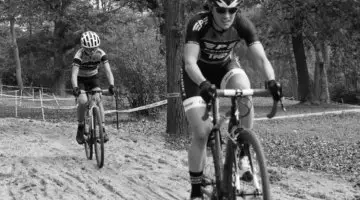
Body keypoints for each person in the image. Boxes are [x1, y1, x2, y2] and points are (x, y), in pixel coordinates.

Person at [181, 0, 282, 199]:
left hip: (225, 66)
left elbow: (261, 59)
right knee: (202, 133)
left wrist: (271, 81)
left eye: (232, 10)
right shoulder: (198, 23)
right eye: (221, 10)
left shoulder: (242, 24)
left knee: (244, 91)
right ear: (212, 8)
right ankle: (195, 191)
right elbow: (190, 62)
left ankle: (243, 149)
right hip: (196, 75)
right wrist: (202, 83)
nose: (227, 15)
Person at [71, 31, 115, 145]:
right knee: (83, 101)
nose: (91, 51)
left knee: (98, 98)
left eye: (94, 48)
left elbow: (108, 71)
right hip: (80, 79)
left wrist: (111, 85)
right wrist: (75, 87)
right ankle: (80, 126)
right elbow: (74, 74)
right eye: (88, 49)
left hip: (93, 77)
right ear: (83, 46)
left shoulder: (101, 53)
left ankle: (103, 129)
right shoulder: (79, 55)